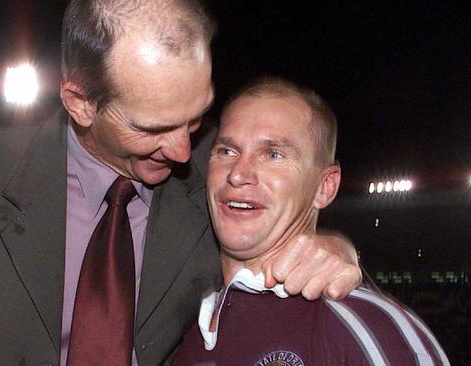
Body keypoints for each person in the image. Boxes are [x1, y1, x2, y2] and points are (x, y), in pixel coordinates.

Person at [0, 1, 362, 365]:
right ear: (80, 103)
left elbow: (299, 245)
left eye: (195, 117)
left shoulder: (219, 172)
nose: (182, 150)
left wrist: (336, 250)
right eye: (152, 128)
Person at [174, 77, 449, 365]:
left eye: (273, 154)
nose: (238, 174)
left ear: (325, 187)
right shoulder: (189, 333)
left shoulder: (367, 328)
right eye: (226, 151)